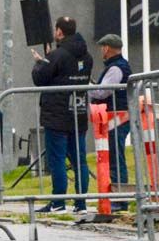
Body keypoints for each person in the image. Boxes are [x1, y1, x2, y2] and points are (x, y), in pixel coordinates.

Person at [31, 17, 94, 213]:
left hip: (57, 114)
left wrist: (40, 63)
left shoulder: (58, 55)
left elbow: (40, 79)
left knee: (57, 158)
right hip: (79, 112)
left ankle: (58, 201)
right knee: (79, 159)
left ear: (59, 32)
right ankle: (81, 203)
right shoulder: (88, 56)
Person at [90, 34, 132, 207]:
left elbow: (102, 92)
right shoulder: (120, 66)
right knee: (115, 157)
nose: (101, 50)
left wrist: (88, 87)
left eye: (102, 47)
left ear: (107, 48)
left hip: (116, 118)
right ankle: (118, 198)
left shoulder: (115, 68)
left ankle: (120, 200)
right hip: (118, 117)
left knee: (115, 158)